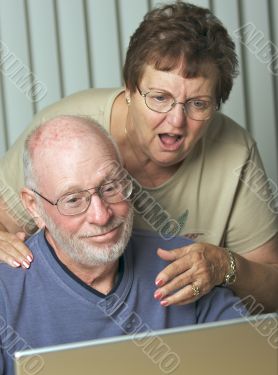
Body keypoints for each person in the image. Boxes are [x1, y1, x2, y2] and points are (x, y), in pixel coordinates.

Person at [0, 2, 277, 311]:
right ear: (130, 88)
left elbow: (272, 291)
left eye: (198, 104)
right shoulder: (64, 132)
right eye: (160, 98)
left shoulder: (234, 151)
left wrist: (224, 265)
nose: (176, 122)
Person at [0, 115, 247, 375]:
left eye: (111, 187)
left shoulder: (185, 264)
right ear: (34, 206)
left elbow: (249, 371)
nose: (101, 215)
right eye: (73, 200)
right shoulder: (5, 293)